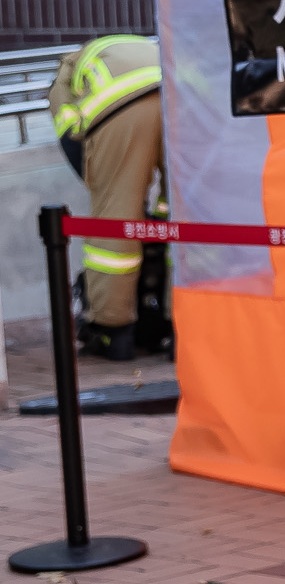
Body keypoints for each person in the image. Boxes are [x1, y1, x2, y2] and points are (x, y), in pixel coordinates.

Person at [46, 33, 164, 360]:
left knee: (114, 223)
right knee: (181, 217)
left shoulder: (65, 73)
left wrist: (100, 183)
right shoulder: (139, 48)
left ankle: (113, 330)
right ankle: (177, 323)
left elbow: (71, 133)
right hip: (177, 96)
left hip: (121, 111)